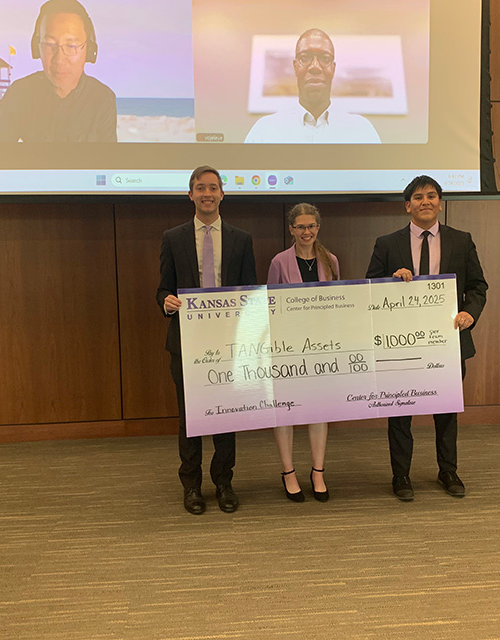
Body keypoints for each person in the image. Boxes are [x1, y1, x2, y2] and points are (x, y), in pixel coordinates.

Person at [365, 176, 488, 501]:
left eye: (432, 196)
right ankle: (401, 476)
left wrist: (470, 313)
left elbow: (477, 286)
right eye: (418, 197)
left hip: (447, 341)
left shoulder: (461, 240)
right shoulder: (387, 243)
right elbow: (369, 287)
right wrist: (391, 280)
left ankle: (448, 471)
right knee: (400, 414)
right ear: (408, 205)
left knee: (446, 413)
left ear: (440, 203)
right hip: (402, 344)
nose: (426, 202)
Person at [157, 166, 257, 515]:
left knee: (226, 416)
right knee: (191, 418)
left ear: (222, 194)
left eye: (213, 188)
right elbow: (163, 289)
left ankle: (224, 483)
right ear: (191, 195)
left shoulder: (241, 239)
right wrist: (167, 302)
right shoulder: (173, 238)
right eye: (200, 188)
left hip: (228, 344)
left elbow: (249, 293)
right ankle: (192, 486)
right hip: (187, 343)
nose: (207, 194)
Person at [266, 203, 340, 503]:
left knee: (318, 410)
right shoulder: (279, 262)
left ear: (318, 228)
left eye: (311, 226)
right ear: (291, 230)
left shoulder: (331, 260)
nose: (307, 231)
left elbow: (337, 303)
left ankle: (318, 472)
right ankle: (288, 472)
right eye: (301, 227)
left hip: (321, 347)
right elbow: (269, 306)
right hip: (287, 349)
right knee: (285, 410)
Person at [0, 0, 117, 142]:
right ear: (37, 49)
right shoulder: (20, 94)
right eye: (49, 45)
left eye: (71, 46)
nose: (59, 59)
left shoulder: (102, 99)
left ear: (89, 50)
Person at [244, 29, 381, 144]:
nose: (315, 67)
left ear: (333, 69)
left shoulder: (362, 132)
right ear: (295, 67)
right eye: (305, 58)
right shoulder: (264, 132)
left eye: (325, 58)